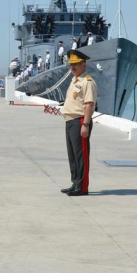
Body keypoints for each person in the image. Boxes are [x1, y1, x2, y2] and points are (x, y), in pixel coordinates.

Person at [60, 50, 97, 197]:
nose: (72, 68)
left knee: (81, 155)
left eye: (75, 64)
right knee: (73, 155)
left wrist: (85, 125)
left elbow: (89, 104)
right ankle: (75, 183)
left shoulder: (87, 82)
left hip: (80, 121)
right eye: (71, 65)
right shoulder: (74, 80)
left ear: (83, 64)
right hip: (70, 120)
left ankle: (82, 187)